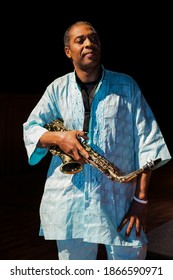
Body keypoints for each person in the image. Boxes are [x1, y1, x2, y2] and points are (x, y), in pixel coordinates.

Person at [23, 20, 171, 260]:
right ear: (68, 52)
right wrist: (59, 138)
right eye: (80, 40)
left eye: (94, 39)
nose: (89, 43)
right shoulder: (56, 89)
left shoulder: (126, 86)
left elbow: (150, 145)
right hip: (68, 204)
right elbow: (31, 129)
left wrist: (140, 201)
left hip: (121, 203)